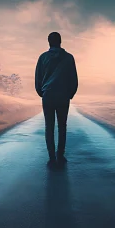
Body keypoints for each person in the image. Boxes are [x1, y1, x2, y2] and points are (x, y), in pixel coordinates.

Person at [35, 31, 78, 166]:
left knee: (49, 126)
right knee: (62, 126)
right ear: (60, 42)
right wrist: (69, 94)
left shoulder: (43, 57)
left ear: (49, 42)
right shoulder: (69, 58)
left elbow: (38, 78)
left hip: (48, 95)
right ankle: (60, 154)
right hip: (63, 96)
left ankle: (51, 156)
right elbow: (74, 79)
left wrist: (42, 93)